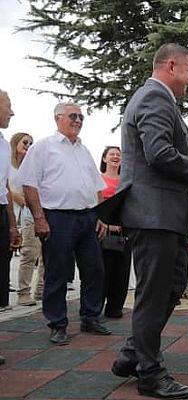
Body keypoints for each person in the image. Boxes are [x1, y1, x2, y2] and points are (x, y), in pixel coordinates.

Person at [105, 43, 188, 399]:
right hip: (152, 214)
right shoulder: (154, 98)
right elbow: (159, 153)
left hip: (164, 215)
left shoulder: (159, 100)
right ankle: (150, 373)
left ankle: (132, 354)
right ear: (170, 66)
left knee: (171, 285)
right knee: (154, 294)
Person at [16, 101, 110, 345]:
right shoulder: (43, 148)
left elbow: (98, 186)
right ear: (58, 118)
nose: (78, 121)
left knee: (95, 270)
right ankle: (57, 323)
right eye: (73, 116)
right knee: (57, 273)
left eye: (81, 117)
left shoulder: (84, 150)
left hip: (87, 217)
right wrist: (39, 218)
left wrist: (100, 216)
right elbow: (28, 183)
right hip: (57, 217)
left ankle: (91, 316)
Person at [9, 132, 43, 306]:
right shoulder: (9, 165)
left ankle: (41, 290)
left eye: (31, 143)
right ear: (15, 143)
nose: (28, 145)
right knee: (29, 253)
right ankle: (23, 292)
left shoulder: (34, 166)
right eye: (25, 142)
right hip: (17, 214)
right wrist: (16, 197)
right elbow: (5, 187)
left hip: (35, 213)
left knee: (45, 255)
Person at [99, 146, 131, 318]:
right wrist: (107, 224)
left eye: (119, 154)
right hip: (102, 230)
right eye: (111, 154)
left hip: (124, 232)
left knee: (122, 272)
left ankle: (115, 307)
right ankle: (95, 308)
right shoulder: (98, 179)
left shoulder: (126, 181)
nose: (115, 156)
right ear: (104, 159)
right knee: (103, 271)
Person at [0, 89, 22, 313]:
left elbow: (4, 186)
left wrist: (12, 225)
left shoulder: (4, 145)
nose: (12, 112)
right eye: (8, 106)